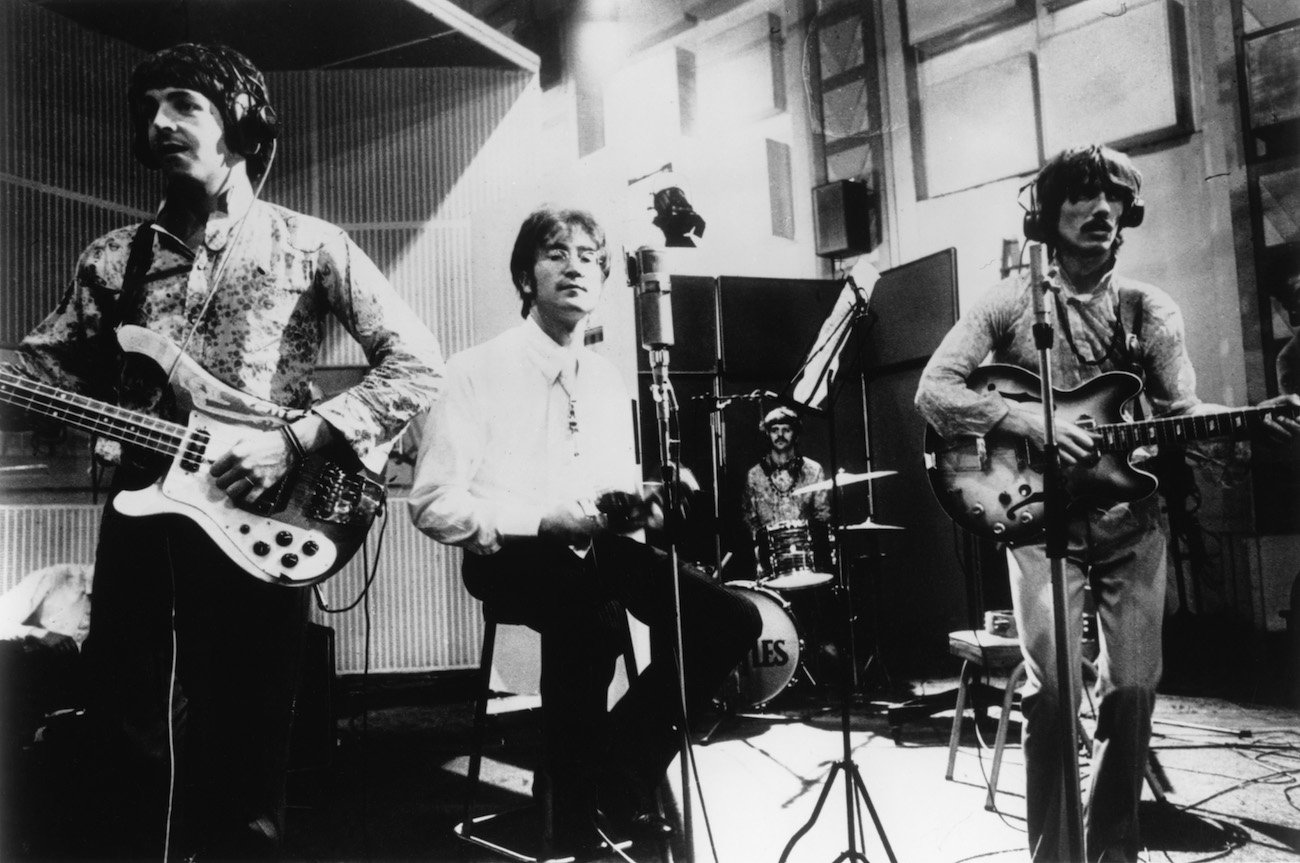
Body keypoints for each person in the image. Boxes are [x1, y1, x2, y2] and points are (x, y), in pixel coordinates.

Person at [5, 43, 444, 859]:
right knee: (127, 735)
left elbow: (418, 364)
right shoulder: (115, 258)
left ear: (241, 124)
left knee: (246, 756)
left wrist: (296, 437)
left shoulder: (310, 244)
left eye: (185, 104)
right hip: (144, 509)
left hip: (264, 511)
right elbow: (39, 367)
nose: (161, 122)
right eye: (150, 109)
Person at [915, 144, 1299, 862]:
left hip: (1130, 523)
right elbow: (933, 392)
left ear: (1128, 213)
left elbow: (1183, 408)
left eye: (1112, 198)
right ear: (1049, 215)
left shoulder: (1148, 309)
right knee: (1052, 695)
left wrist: (1248, 421)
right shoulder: (1008, 303)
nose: (1099, 210)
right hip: (1039, 524)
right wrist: (1028, 420)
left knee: (1132, 690)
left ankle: (1111, 851)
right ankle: (1053, 856)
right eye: (1082, 196)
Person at [408, 206, 760, 859]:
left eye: (589, 256)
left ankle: (614, 770)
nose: (575, 265)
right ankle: (574, 826)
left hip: (591, 548)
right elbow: (431, 502)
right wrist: (539, 518)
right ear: (525, 275)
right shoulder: (475, 368)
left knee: (732, 618)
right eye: (555, 253)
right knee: (589, 616)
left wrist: (644, 506)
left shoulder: (604, 378)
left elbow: (606, 496)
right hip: (507, 551)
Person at [739, 406, 831, 542]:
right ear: (767, 434)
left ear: (795, 433)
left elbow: (822, 515)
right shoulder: (755, 474)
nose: (780, 435)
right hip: (770, 551)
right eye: (774, 430)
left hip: (805, 548)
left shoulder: (813, 470)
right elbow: (750, 518)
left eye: (786, 430)